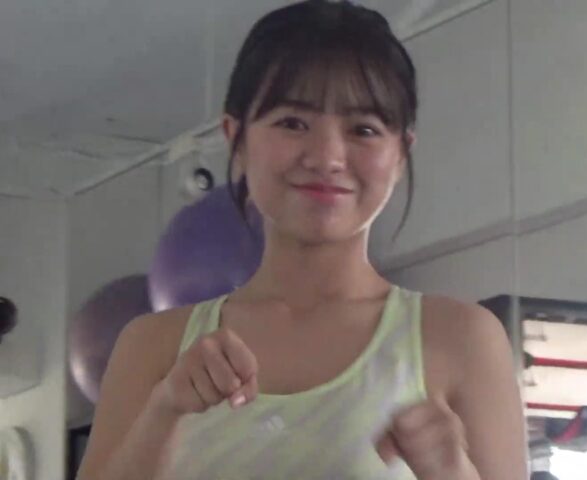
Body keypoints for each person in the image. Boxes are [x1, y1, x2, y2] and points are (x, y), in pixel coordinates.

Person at [76, 1, 527, 479]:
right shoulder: (153, 347)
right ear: (236, 138)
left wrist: (452, 472)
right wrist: (163, 414)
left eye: (364, 129)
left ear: (401, 154)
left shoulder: (460, 339)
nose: (328, 156)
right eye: (292, 122)